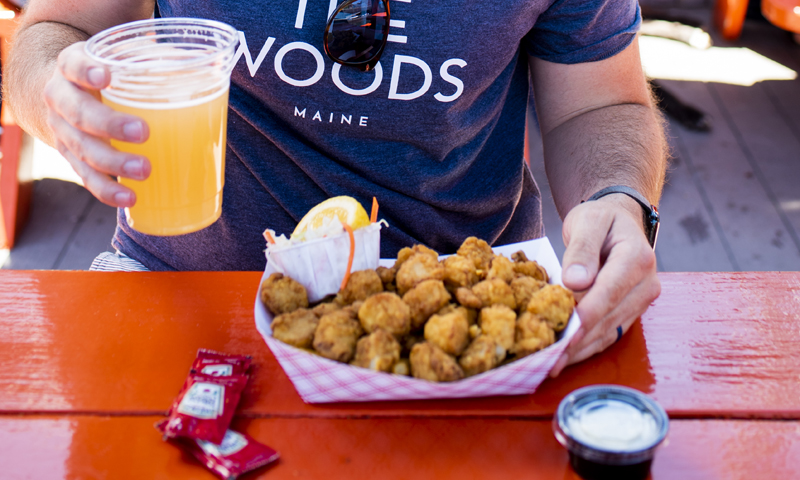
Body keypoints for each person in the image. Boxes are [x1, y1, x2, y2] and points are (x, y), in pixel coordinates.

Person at [4, 0, 667, 375]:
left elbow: (599, 106)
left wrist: (617, 197)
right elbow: (53, 31)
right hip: (178, 287)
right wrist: (53, 98)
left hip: (452, 327)